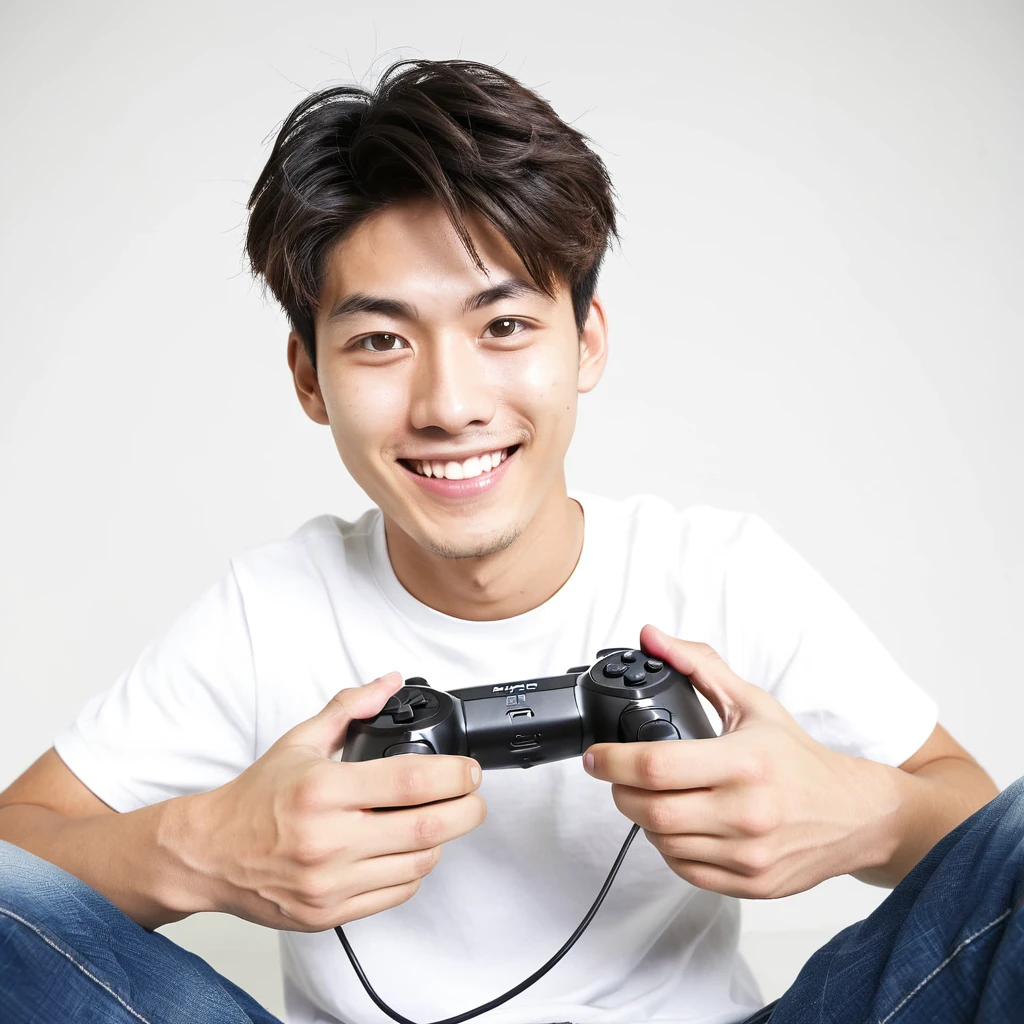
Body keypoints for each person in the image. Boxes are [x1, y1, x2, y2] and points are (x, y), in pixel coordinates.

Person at [0, 58, 1019, 1024]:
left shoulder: (718, 571)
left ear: (587, 341)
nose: (448, 404)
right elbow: (17, 859)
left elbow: (976, 830)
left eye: (502, 327)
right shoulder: (269, 610)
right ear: (309, 378)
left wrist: (867, 818)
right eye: (380, 341)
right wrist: (200, 851)